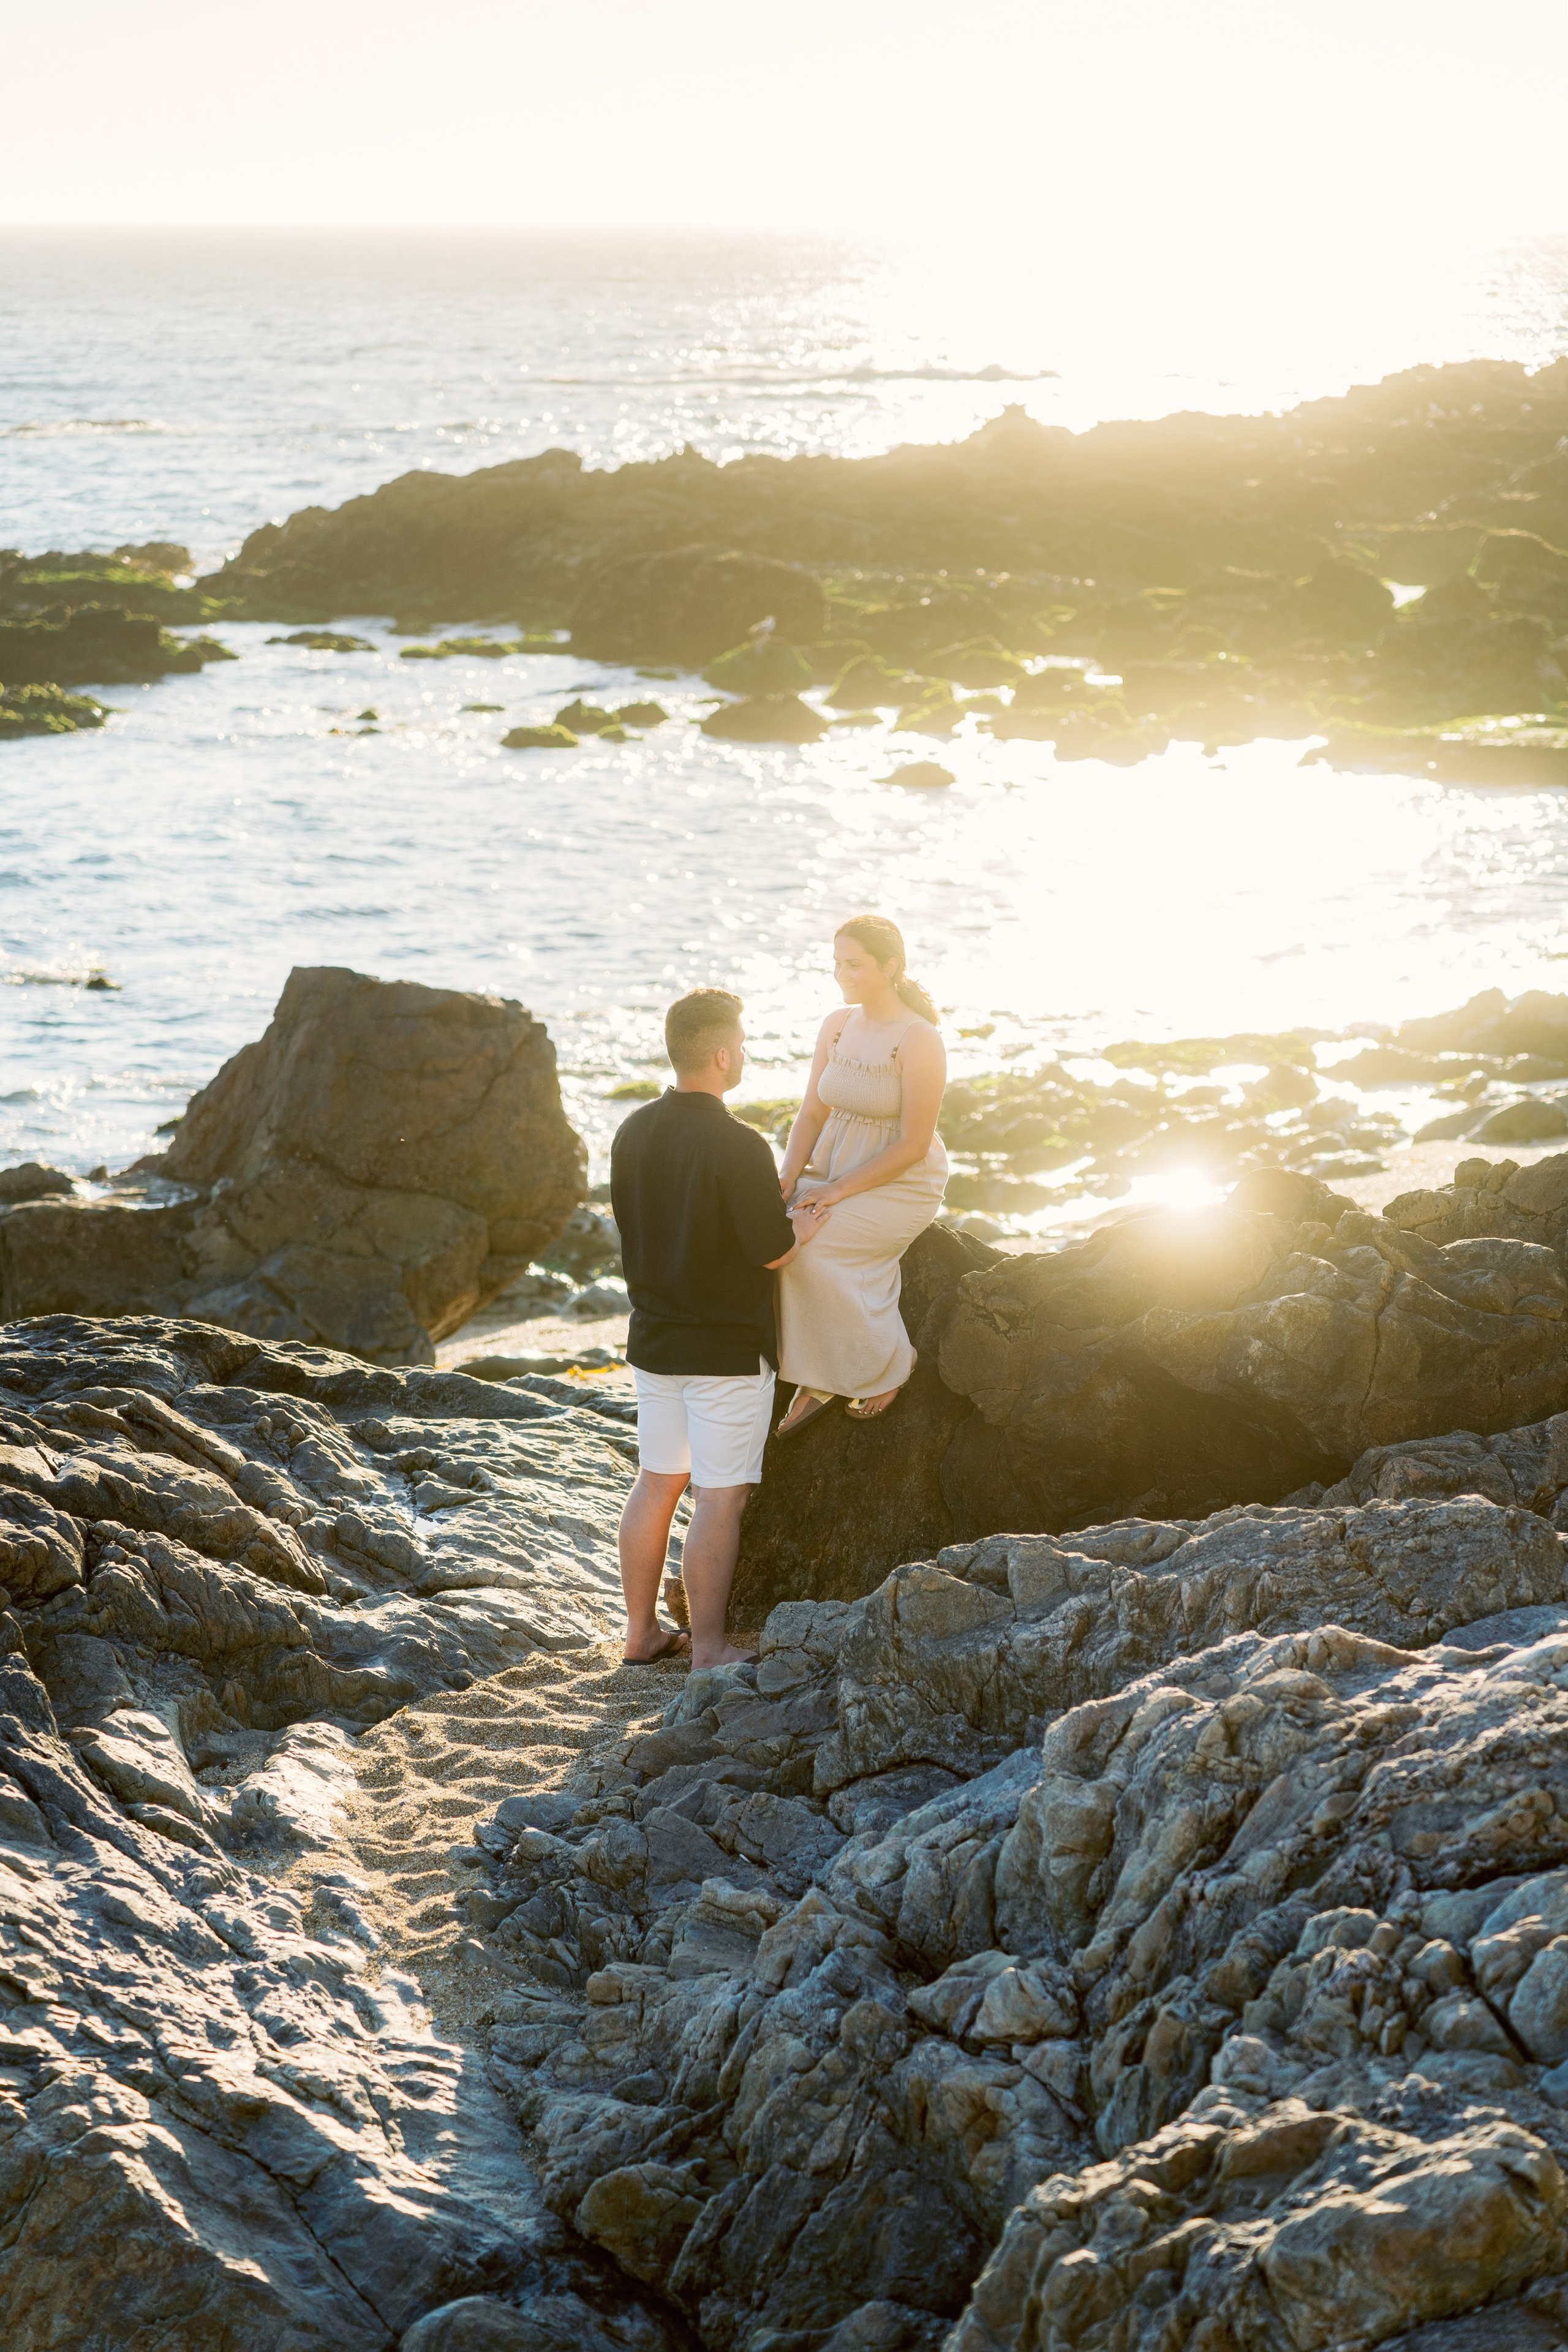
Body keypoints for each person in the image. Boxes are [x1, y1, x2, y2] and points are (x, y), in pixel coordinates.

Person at [611, 987, 826, 1667]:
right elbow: (771, 1248)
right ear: (722, 1053)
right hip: (726, 1351)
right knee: (719, 1499)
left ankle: (640, 1633)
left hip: (653, 1339)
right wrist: (803, 1226)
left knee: (655, 1482)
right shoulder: (738, 1143)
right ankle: (707, 1650)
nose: (747, 1054)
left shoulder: (632, 1130)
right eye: (744, 1042)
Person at [774, 914, 948, 1435]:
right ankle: (818, 1375)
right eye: (836, 963)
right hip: (834, 1166)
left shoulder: (920, 1040)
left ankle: (889, 1364)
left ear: (890, 967)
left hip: (900, 1182)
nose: (841, 974)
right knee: (774, 1237)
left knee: (814, 1247)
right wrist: (787, 1178)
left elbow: (915, 1144)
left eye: (854, 964)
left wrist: (835, 1192)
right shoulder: (837, 1024)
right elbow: (810, 1113)